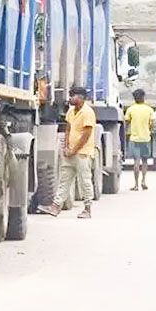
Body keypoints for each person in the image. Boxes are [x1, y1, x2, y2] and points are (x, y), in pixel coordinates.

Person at [39, 86, 97, 219]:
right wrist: (66, 147)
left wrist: (74, 150)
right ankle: (56, 206)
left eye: (73, 96)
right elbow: (68, 130)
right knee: (65, 180)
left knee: (85, 181)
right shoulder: (71, 112)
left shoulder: (88, 112)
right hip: (70, 152)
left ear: (81, 98)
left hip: (83, 153)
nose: (70, 98)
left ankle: (87, 209)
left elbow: (86, 135)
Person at [124, 89, 156, 191]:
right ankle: (144, 181)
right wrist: (149, 130)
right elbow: (153, 123)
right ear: (143, 97)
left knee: (136, 162)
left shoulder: (130, 109)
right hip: (146, 138)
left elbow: (126, 122)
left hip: (134, 138)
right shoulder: (149, 109)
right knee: (145, 161)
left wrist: (125, 133)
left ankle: (136, 184)